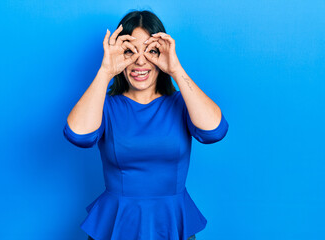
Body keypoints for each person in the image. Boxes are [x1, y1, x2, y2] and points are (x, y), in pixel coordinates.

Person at [63, 10, 229, 240]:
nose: (140, 61)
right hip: (116, 225)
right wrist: (106, 71)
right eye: (130, 51)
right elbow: (77, 135)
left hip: (172, 224)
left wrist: (175, 70)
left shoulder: (181, 104)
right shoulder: (106, 107)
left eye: (151, 51)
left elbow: (215, 131)